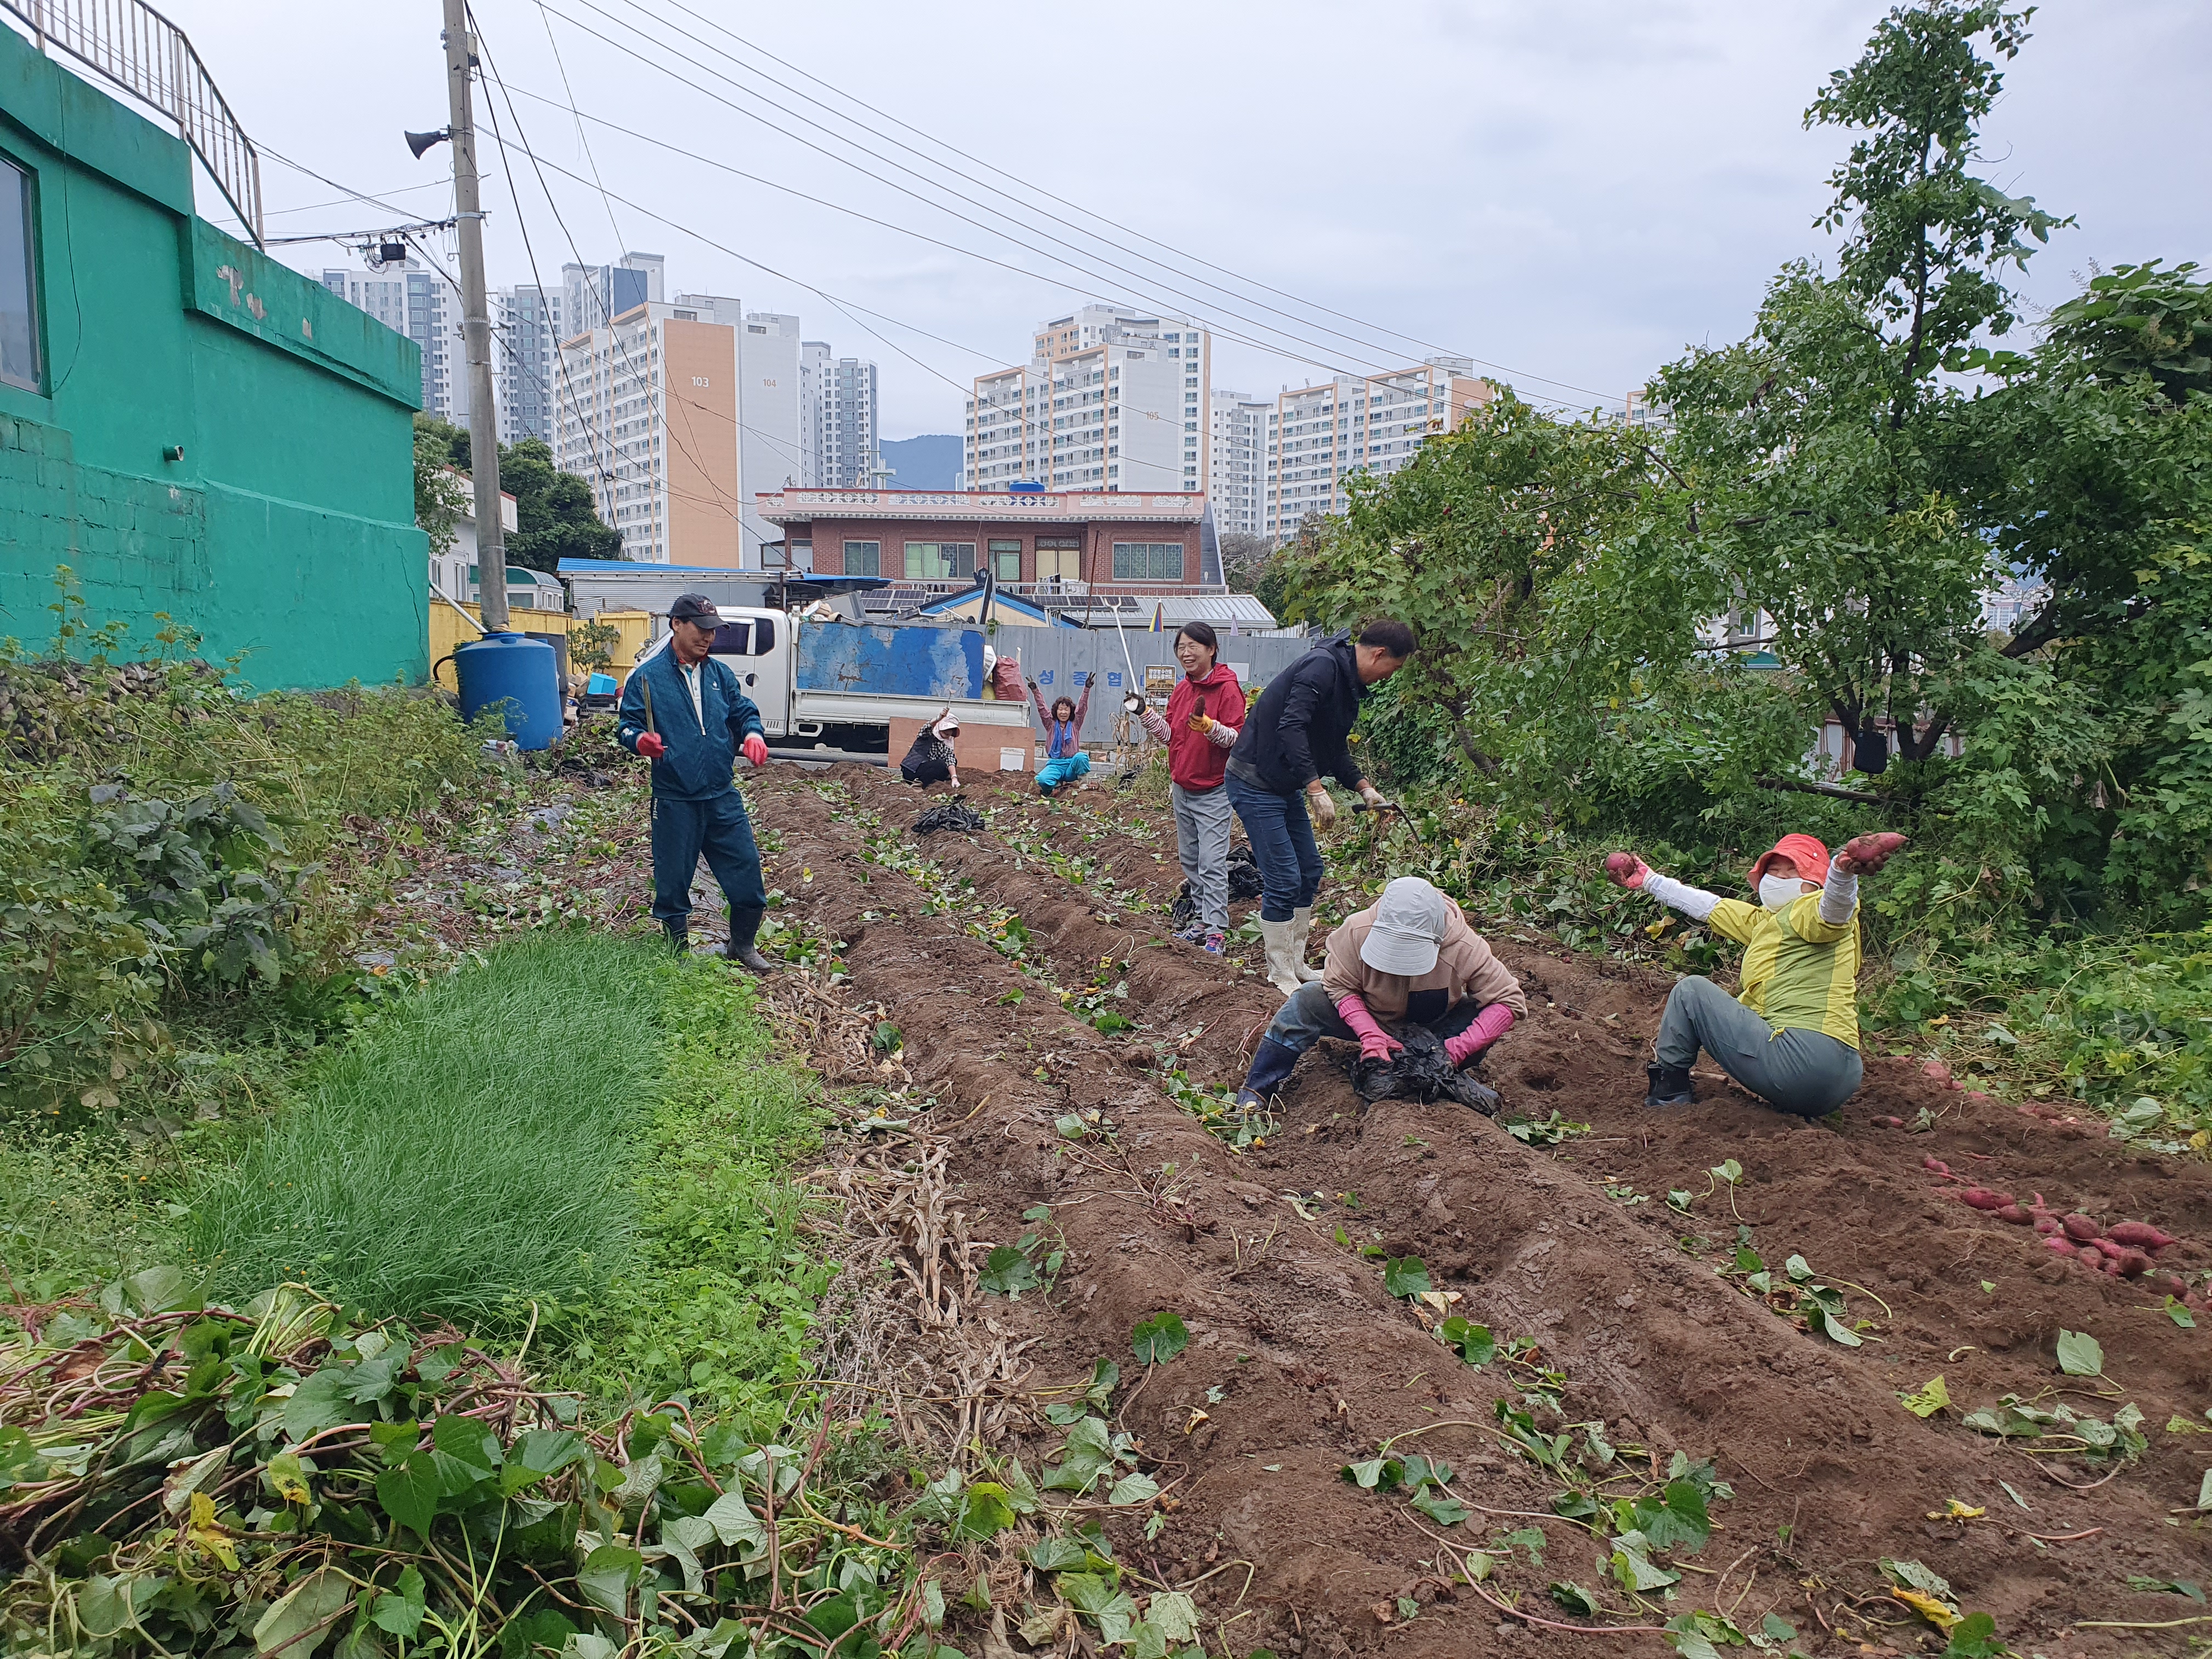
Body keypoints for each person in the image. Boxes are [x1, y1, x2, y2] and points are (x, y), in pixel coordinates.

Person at [1605, 830, 1909, 1115]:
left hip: (1802, 1059)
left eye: (1791, 872)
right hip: (1839, 1073)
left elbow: (1833, 912)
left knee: (1691, 992)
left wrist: (1842, 875)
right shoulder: (1768, 922)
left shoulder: (1810, 908)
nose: (1779, 878)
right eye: (1773, 872)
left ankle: (1668, 1094)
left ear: (1816, 883)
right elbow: (1709, 906)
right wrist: (1649, 880)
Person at [1224, 619, 1415, 995]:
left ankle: (1296, 962)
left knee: (1309, 869)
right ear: (1378, 654)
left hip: (1283, 785)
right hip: (1255, 781)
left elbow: (1333, 748)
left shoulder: (1347, 684)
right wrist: (1315, 788)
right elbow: (1291, 726)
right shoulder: (1322, 667)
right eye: (1391, 669)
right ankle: (1278, 970)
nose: (1387, 678)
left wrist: (1365, 788)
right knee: (1283, 879)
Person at [1233, 876, 1523, 1108]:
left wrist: (1458, 1049)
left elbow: (1508, 1000)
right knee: (1307, 999)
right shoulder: (1356, 931)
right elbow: (1338, 985)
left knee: (1478, 1012)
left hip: (1433, 1028)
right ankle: (1258, 1089)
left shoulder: (1463, 945)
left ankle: (1438, 1072)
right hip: (1371, 1015)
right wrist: (1369, 1033)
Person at [617, 593, 777, 970]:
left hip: (721, 793)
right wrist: (640, 742)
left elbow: (743, 712)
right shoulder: (648, 678)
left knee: (746, 869)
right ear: (677, 624)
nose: (708, 638)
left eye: (713, 631)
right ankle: (677, 954)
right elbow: (626, 727)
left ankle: (743, 946)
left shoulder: (720, 675)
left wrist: (753, 734)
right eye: (701, 629)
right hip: (675, 797)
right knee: (673, 879)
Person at [1139, 622, 1245, 954]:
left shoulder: (1227, 689)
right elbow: (1173, 737)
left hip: (1213, 789)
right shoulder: (1183, 690)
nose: (1186, 653)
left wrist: (1210, 727)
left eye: (1193, 646)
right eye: (1181, 647)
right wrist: (1145, 714)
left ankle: (1217, 930)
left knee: (1211, 862)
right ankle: (1200, 918)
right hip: (1182, 787)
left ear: (1212, 649)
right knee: (1190, 859)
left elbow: (1237, 739)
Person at [1028, 674, 1094, 795]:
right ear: (1056, 711)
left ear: (1070, 711)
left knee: (1081, 757)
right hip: (1055, 765)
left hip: (1071, 766)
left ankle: (1083, 784)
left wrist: (1087, 689)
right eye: (1060, 709)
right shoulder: (1050, 724)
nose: (1063, 712)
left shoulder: (1075, 724)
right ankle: (1053, 789)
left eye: (1066, 710)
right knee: (1041, 780)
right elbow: (1042, 708)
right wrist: (1035, 691)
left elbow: (1082, 708)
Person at [900, 708, 962, 788]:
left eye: (951, 729)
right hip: (913, 770)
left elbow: (950, 759)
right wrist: (938, 719)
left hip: (928, 770)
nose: (948, 731)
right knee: (940, 764)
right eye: (946, 728)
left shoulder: (947, 743)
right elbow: (926, 728)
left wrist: (954, 778)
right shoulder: (928, 735)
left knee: (951, 763)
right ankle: (918, 784)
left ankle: (930, 783)